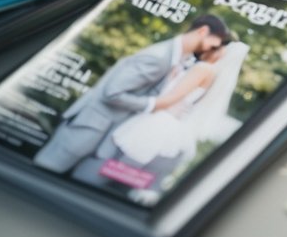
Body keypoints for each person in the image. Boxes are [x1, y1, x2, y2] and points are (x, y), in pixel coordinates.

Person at [33, 14, 232, 177]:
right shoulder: (159, 57)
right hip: (88, 128)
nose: (211, 50)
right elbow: (113, 94)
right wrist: (152, 104)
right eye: (213, 45)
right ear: (203, 31)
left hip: (104, 133)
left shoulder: (175, 57)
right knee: (41, 173)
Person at [107, 41, 250, 203]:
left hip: (160, 122)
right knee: (134, 180)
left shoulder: (203, 69)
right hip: (176, 131)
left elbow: (173, 95)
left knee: (119, 172)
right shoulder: (217, 78)